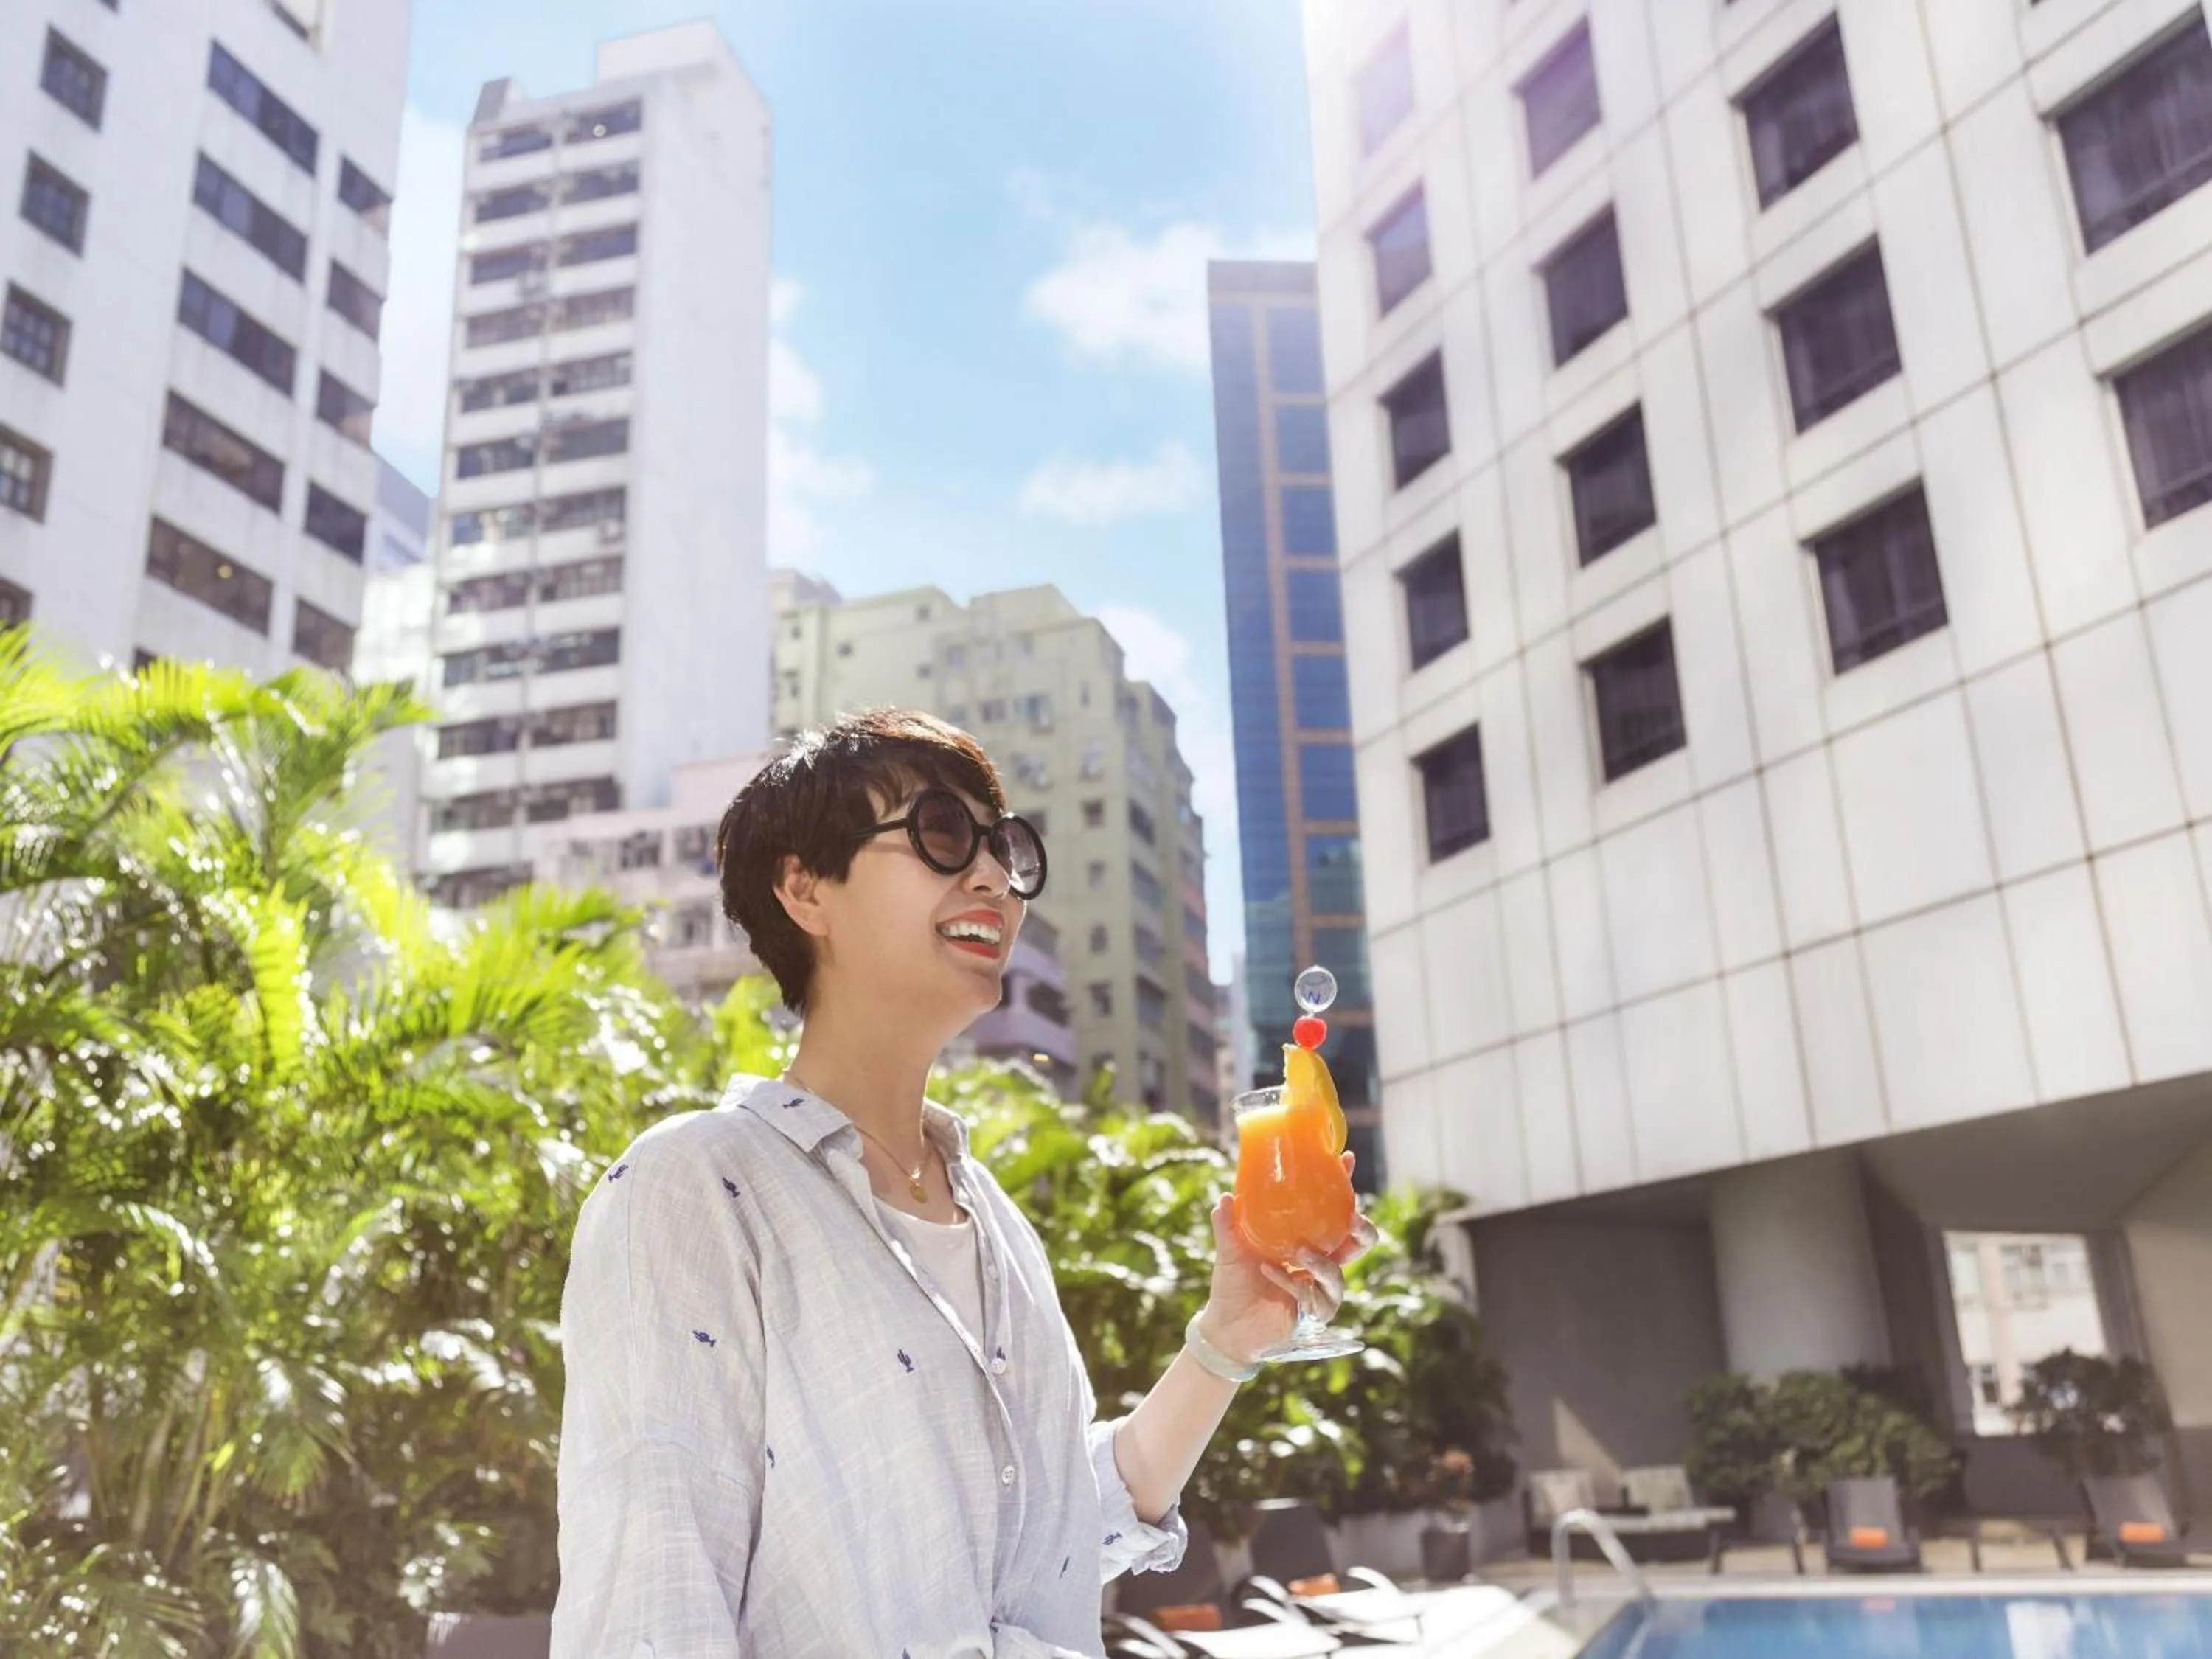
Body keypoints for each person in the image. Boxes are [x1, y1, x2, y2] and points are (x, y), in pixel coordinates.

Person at [551, 708, 1375, 1657]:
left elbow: (1064, 1533)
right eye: (941, 834)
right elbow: (652, 1610)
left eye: (1009, 849)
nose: (994, 878)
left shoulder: (999, 1223)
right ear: (805, 888)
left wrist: (1224, 1346)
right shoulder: (694, 1188)